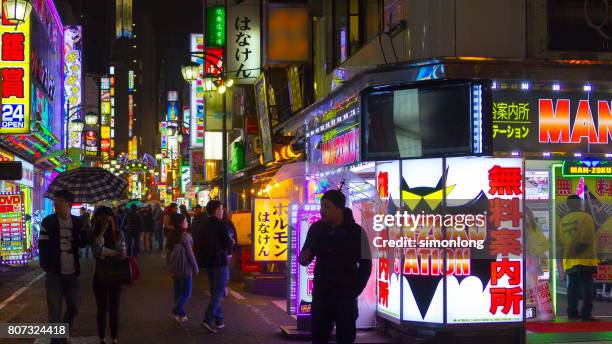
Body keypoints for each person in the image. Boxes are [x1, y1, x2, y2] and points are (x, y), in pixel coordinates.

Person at [299, 190, 372, 344]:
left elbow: (366, 264)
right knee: (318, 337)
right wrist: (303, 258)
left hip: (345, 296)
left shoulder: (357, 232)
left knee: (345, 338)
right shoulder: (317, 228)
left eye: (327, 206)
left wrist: (355, 290)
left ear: (339, 209)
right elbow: (306, 257)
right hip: (321, 294)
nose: (322, 210)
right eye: (321, 206)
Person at [39, 189, 88, 343]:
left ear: (68, 204)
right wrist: (47, 266)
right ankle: (57, 340)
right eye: (55, 200)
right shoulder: (49, 221)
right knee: (54, 310)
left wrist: (86, 229)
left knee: (74, 307)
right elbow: (43, 246)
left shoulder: (77, 222)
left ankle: (62, 331)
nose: (55, 203)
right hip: (54, 273)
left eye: (59, 201)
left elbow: (83, 243)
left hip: (72, 273)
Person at [557, 195, 599, 321]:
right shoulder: (586, 217)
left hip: (569, 260)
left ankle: (572, 312)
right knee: (587, 286)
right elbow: (585, 240)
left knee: (572, 286)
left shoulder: (563, 220)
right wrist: (576, 252)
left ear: (568, 205)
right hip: (585, 259)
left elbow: (561, 242)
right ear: (580, 203)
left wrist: (570, 254)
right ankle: (586, 313)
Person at [193, 200, 233, 333]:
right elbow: (228, 243)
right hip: (220, 262)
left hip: (208, 264)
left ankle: (219, 319)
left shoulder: (202, 224)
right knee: (219, 293)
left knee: (215, 291)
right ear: (217, 210)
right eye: (221, 209)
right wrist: (231, 243)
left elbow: (197, 243)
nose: (223, 211)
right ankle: (207, 318)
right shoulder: (220, 225)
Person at [91, 206, 127, 344]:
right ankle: (102, 338)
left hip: (116, 276)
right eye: (102, 219)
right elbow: (96, 253)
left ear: (113, 218)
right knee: (101, 308)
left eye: (108, 218)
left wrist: (104, 251)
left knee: (114, 308)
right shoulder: (95, 235)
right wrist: (100, 237)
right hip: (99, 276)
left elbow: (122, 254)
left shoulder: (119, 234)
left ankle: (114, 338)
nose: (106, 221)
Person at [166, 213, 199, 323]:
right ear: (180, 224)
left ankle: (181, 314)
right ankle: (175, 311)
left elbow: (168, 253)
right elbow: (190, 254)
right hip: (184, 267)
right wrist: (195, 267)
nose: (188, 222)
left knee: (178, 292)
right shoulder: (185, 236)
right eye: (186, 221)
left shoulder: (171, 235)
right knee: (187, 293)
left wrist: (169, 265)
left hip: (174, 267)